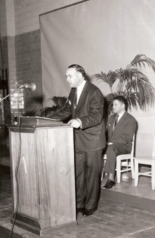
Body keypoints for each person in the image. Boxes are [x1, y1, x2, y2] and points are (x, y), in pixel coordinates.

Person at [51, 64, 106, 216]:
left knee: (92, 176)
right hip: (78, 140)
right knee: (78, 174)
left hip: (93, 140)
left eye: (70, 76)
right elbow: (67, 110)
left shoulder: (94, 92)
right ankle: (79, 203)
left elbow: (96, 115)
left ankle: (90, 205)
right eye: (66, 76)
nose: (67, 79)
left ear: (80, 75)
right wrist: (45, 119)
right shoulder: (73, 91)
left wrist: (80, 121)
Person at [103, 96, 137, 189]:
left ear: (123, 106)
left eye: (115, 104)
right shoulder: (111, 118)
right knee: (96, 147)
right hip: (112, 145)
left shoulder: (131, 120)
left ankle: (110, 178)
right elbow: (106, 133)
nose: (113, 106)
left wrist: (111, 142)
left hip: (124, 146)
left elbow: (127, 138)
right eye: (113, 104)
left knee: (111, 148)